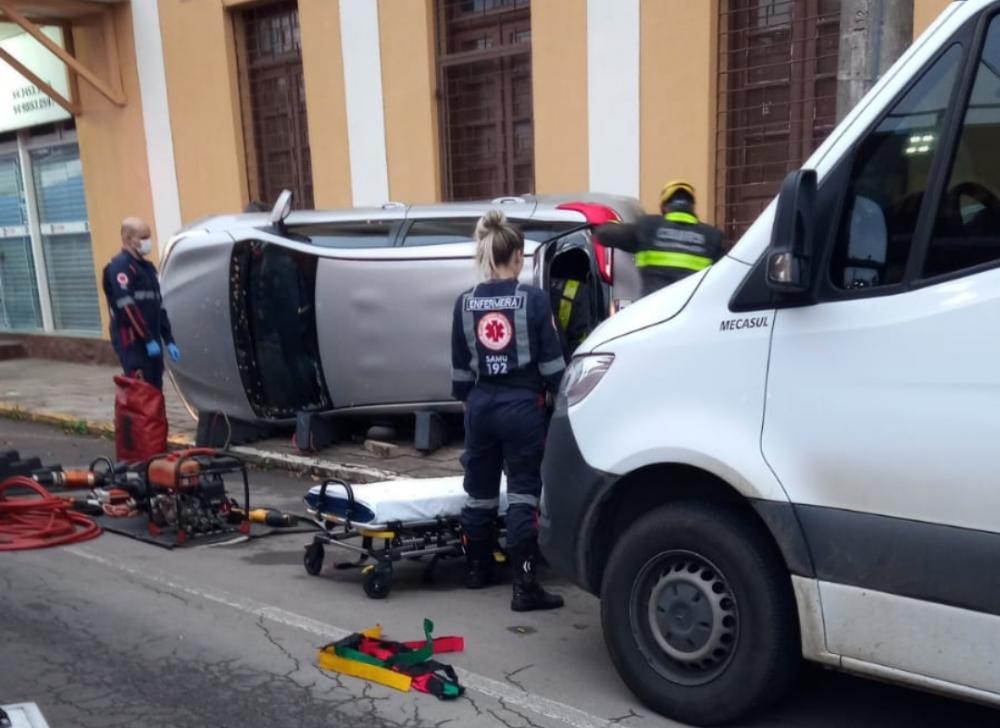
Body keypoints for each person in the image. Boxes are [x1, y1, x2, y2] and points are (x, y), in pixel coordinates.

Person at [451, 210, 566, 612]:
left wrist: (475, 409)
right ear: (517, 255)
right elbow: (553, 366)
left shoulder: (464, 303)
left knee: (479, 493)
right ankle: (525, 586)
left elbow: (460, 370)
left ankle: (477, 570)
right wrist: (559, 399)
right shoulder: (533, 300)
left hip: (481, 406)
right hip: (522, 408)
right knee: (522, 494)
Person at [594, 180, 725, 297]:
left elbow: (604, 234)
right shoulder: (712, 236)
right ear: (692, 207)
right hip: (691, 315)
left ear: (663, 207)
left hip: (656, 313)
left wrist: (608, 223)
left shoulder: (648, 227)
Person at [101, 217, 180, 391]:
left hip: (152, 341)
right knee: (140, 394)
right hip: (133, 342)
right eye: (143, 237)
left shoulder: (147, 268)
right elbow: (127, 306)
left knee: (155, 390)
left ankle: (157, 420)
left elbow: (158, 305)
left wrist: (168, 339)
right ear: (128, 239)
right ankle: (144, 420)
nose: (148, 242)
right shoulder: (120, 267)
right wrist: (148, 339)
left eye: (148, 237)